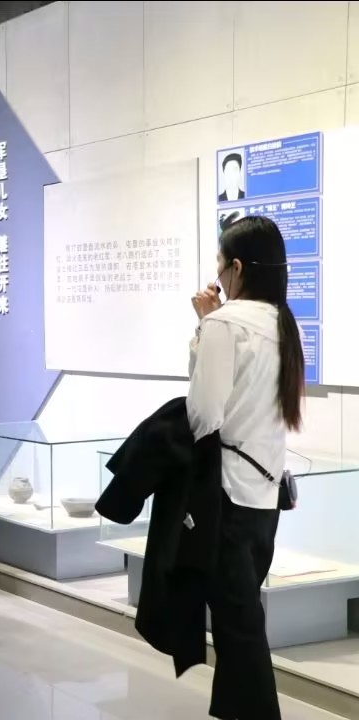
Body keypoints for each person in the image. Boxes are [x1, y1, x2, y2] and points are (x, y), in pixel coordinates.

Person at [188, 216, 303, 720]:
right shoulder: (283, 322)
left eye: (219, 264)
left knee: (238, 627)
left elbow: (203, 414)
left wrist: (205, 326)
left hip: (229, 494)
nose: (216, 274)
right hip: (265, 495)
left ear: (236, 268)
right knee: (241, 617)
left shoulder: (225, 324)